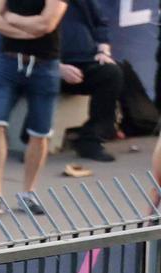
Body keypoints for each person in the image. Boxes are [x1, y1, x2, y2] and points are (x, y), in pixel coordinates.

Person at [0, 0, 67, 216]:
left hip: (45, 66)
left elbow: (46, 25)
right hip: (8, 63)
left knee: (40, 133)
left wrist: (13, 19)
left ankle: (28, 193)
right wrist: (29, 29)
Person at [56, 0, 119, 164]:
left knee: (111, 73)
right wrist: (57, 68)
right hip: (46, 65)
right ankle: (32, 140)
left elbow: (100, 24)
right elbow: (25, 41)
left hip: (85, 62)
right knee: (41, 79)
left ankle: (91, 139)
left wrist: (103, 50)